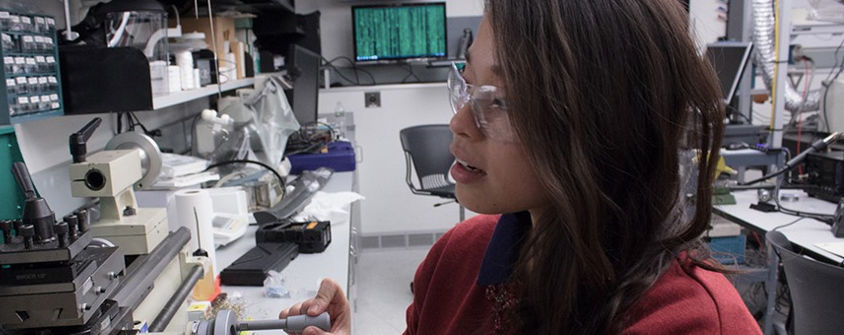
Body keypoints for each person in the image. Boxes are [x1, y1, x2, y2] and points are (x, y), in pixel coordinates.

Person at [281, 0, 762, 334]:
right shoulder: (454, 262)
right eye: (468, 84)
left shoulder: (690, 323)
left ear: (606, 122)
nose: (460, 122)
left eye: (504, 101)